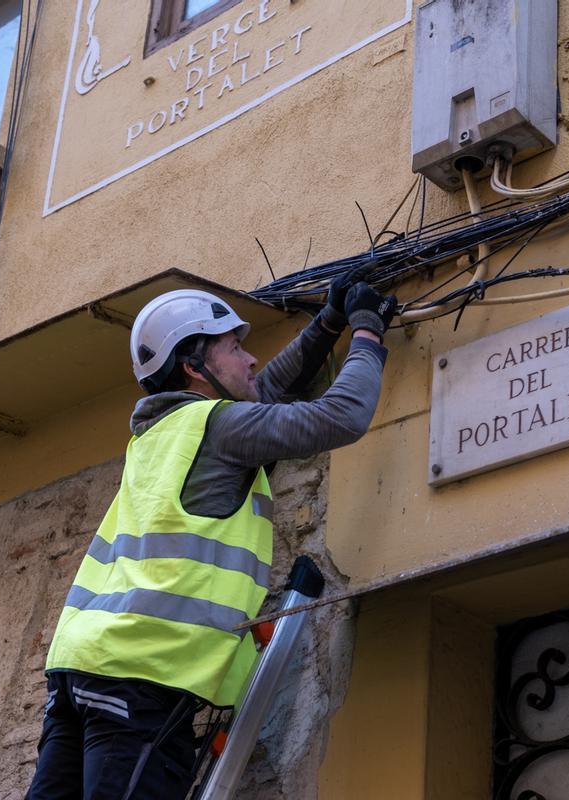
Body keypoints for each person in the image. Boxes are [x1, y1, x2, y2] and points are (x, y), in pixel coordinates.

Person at [25, 273, 396, 800]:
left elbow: (260, 395)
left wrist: (327, 323)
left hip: (80, 669)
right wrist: (367, 333)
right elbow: (342, 416)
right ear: (194, 368)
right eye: (235, 348)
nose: (250, 360)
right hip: (141, 674)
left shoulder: (164, 433)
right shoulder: (218, 427)